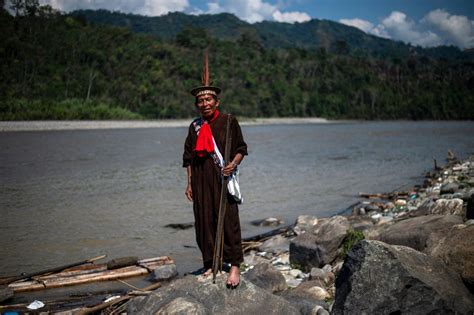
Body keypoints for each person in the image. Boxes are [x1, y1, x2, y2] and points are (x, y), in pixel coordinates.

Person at [183, 54, 247, 287]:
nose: (205, 103)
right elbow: (188, 157)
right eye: (201, 101)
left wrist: (234, 163)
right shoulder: (195, 126)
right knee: (203, 221)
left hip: (222, 178)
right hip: (200, 181)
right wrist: (189, 183)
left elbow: (241, 148)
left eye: (209, 99)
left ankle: (235, 267)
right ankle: (210, 263)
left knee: (229, 220)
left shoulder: (229, 121)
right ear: (197, 105)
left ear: (216, 102)